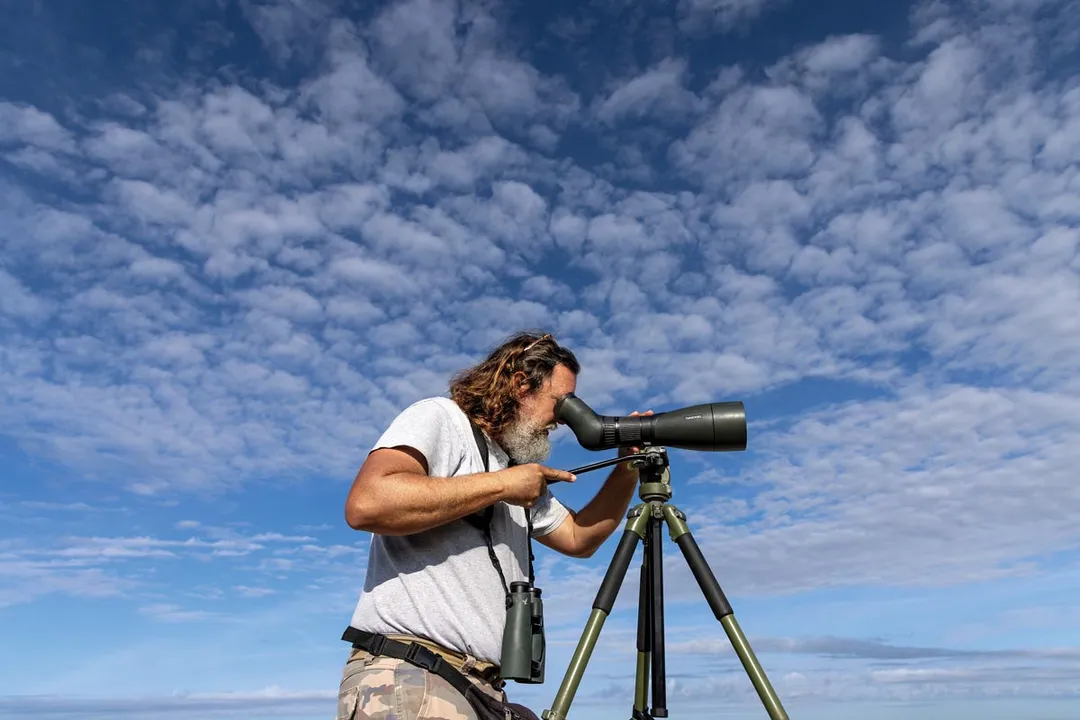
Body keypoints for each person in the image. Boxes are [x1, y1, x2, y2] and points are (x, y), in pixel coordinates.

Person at [336, 331, 650, 720]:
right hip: (414, 672)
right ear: (520, 383)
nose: (560, 422)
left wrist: (626, 469)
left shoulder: (513, 467)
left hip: (479, 687)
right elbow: (368, 503)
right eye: (560, 403)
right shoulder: (441, 418)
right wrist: (502, 485)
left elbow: (579, 538)